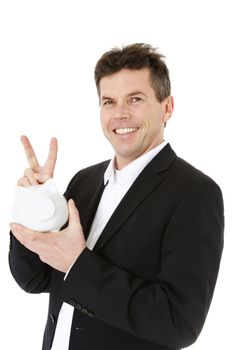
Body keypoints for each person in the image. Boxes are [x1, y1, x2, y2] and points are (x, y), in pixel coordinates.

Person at [9, 43, 224, 350]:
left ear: (167, 107)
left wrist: (79, 264)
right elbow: (35, 280)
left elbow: (179, 323)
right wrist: (37, 206)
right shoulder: (84, 181)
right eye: (109, 102)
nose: (120, 114)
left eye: (135, 99)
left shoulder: (196, 193)